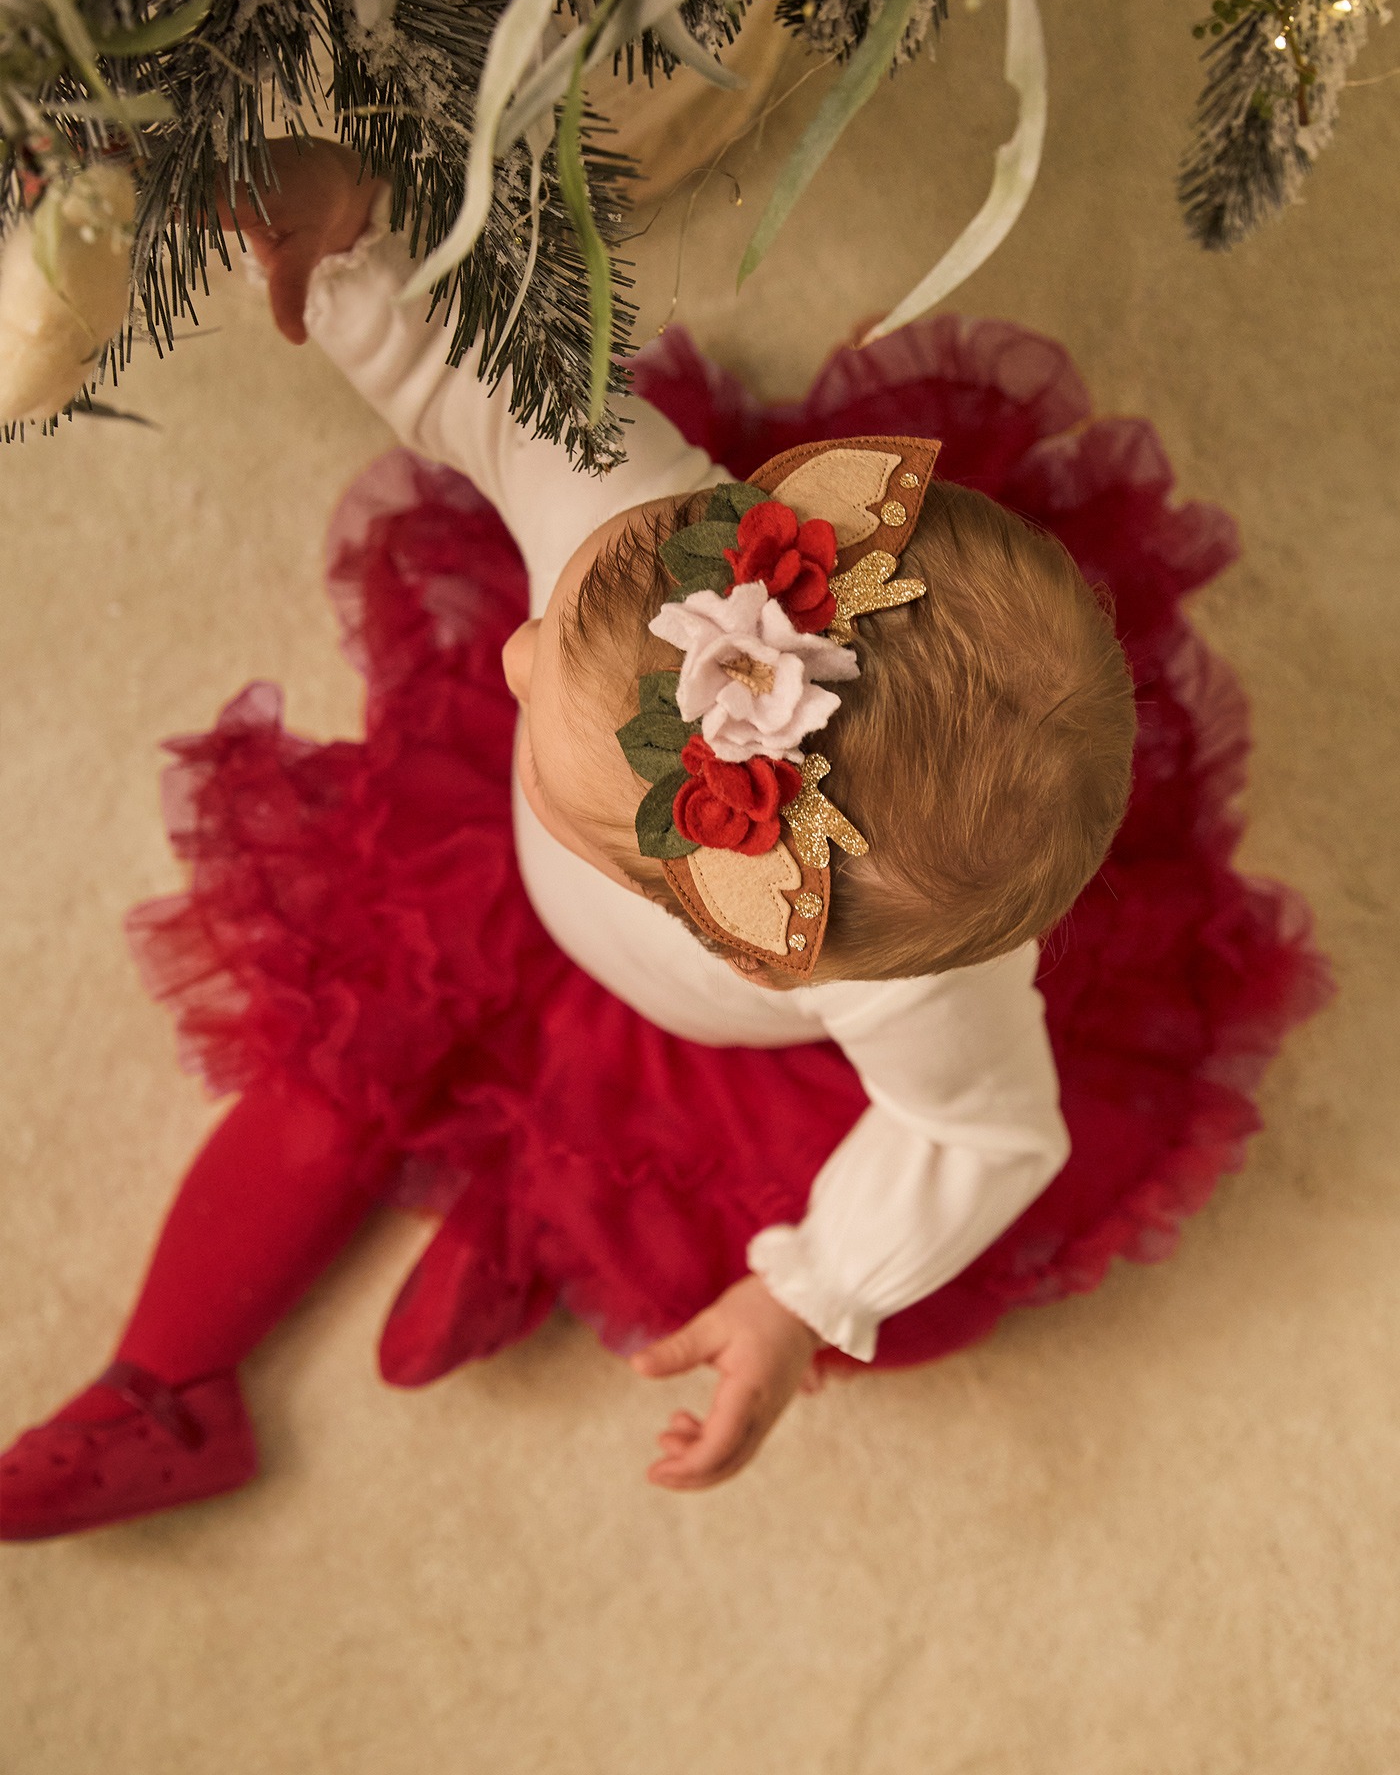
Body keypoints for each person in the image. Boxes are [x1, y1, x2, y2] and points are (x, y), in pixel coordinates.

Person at [0, 142, 1328, 1541]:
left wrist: (803, 1296)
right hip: (508, 872)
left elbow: (981, 1125)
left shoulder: (914, 982)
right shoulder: (628, 525)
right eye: (557, 641)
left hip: (696, 1040)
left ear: (739, 928)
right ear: (724, 558)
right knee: (348, 1043)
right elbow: (488, 390)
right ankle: (164, 1389)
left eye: (544, 686)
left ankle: (525, 1220)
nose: (507, 659)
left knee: (628, 1158)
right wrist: (343, 253)